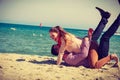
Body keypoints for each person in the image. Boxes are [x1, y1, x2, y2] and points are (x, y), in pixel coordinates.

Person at [50, 7, 119, 68]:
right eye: (56, 47)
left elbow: (76, 45)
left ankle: (105, 18)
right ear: (57, 51)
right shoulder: (67, 54)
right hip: (97, 54)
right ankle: (107, 19)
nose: (58, 45)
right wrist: (87, 38)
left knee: (100, 39)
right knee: (104, 38)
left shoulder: (65, 44)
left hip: (91, 48)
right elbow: (78, 52)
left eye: (56, 45)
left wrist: (86, 39)